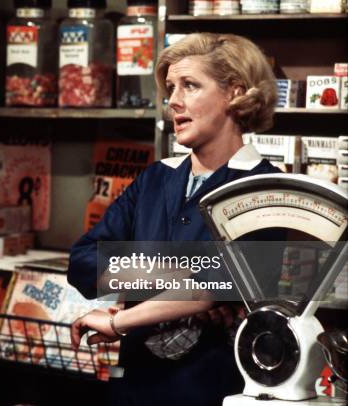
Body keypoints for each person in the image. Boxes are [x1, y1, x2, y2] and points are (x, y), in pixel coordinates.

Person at [68, 33, 281, 406]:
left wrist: (120, 317)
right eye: (170, 88)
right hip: (131, 388)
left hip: (212, 390)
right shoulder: (155, 178)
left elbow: (212, 286)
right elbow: (83, 261)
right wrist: (176, 276)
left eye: (190, 85)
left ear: (234, 93)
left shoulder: (264, 189)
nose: (173, 102)